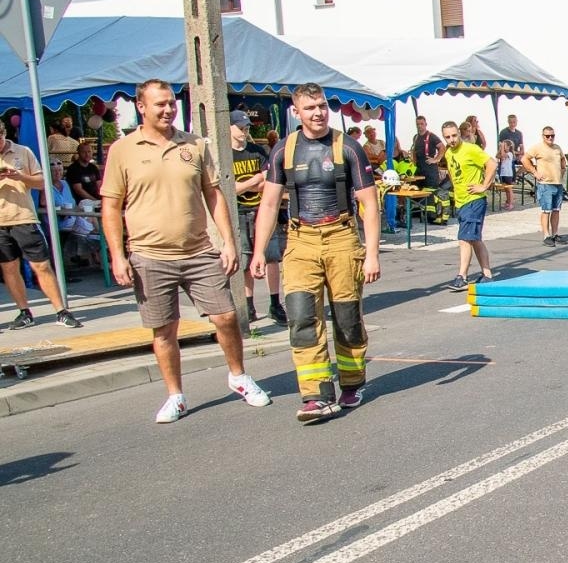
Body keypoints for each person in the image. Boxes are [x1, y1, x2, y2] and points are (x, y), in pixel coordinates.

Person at [100, 79, 270, 423]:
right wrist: (117, 255)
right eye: (159, 104)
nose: (167, 110)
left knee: (225, 317)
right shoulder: (124, 149)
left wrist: (227, 242)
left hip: (198, 251)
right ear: (142, 106)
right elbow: (111, 205)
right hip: (149, 255)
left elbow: (214, 194)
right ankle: (175, 395)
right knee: (164, 329)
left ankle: (238, 376)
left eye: (171, 103)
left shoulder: (193, 144)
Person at [252, 83, 380, 423]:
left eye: (322, 106)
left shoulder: (348, 147)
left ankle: (352, 383)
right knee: (301, 318)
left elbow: (369, 202)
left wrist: (372, 254)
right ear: (297, 112)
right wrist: (259, 252)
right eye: (310, 108)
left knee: (347, 319)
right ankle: (316, 395)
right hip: (300, 241)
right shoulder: (284, 150)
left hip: (341, 238)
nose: (319, 113)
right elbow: (268, 203)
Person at [0, 129, 81, 329]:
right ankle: (24, 311)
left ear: (3, 134)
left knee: (42, 266)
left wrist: (19, 176)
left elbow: (41, 182)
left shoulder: (23, 151)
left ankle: (61, 311)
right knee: (9, 269)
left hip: (24, 217)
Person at [228, 111, 286, 326]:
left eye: (247, 128)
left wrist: (248, 184)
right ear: (230, 128)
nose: (245, 132)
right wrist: (252, 181)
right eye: (241, 128)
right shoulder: (226, 155)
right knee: (245, 259)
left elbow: (267, 182)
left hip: (261, 209)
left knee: (271, 257)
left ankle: (275, 302)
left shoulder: (257, 151)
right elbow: (229, 188)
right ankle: (249, 304)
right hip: (239, 211)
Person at [442, 120, 493, 291]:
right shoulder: (449, 153)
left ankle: (462, 276)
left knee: (464, 238)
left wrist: (484, 185)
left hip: (474, 200)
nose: (452, 139)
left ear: (459, 133)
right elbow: (451, 173)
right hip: (461, 201)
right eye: (448, 137)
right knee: (474, 238)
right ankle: (487, 274)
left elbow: (492, 163)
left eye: (454, 135)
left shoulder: (471, 149)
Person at [523, 124, 567, 247]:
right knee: (546, 210)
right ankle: (546, 235)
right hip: (545, 184)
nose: (550, 138)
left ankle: (555, 234)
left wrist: (562, 171)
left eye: (552, 135)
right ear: (543, 136)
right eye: (547, 136)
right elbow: (524, 159)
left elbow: (563, 160)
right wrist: (534, 172)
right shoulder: (537, 148)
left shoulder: (557, 148)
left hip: (557, 183)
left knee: (556, 210)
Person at [495, 138, 516, 210]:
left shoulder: (510, 154)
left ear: (509, 147)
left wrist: (501, 148)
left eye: (505, 146)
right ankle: (507, 202)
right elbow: (497, 156)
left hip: (508, 174)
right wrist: (500, 148)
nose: (504, 148)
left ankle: (511, 203)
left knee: (509, 189)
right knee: (506, 189)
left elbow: (503, 155)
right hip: (503, 173)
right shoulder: (503, 152)